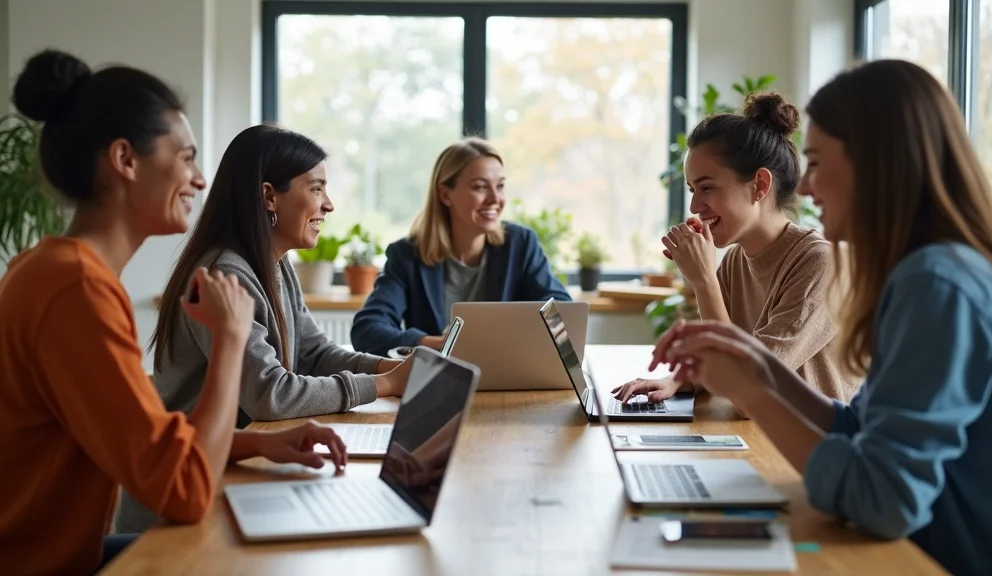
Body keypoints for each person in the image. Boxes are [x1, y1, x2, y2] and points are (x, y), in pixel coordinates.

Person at [652, 59, 992, 575]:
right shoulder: (923, 272)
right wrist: (753, 364)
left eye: (818, 163)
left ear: (878, 163)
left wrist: (753, 388)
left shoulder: (937, 285)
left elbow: (883, 500)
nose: (803, 189)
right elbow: (857, 426)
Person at [0, 50, 348, 575]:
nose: (201, 180)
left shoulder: (58, 272)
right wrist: (230, 341)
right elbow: (183, 489)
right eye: (185, 157)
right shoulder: (75, 290)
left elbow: (149, 434)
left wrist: (258, 442)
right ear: (125, 160)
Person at [113, 125, 415, 534]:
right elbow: (269, 396)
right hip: (172, 509)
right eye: (317, 189)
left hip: (227, 470)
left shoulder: (272, 264)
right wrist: (385, 386)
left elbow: (313, 352)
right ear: (269, 195)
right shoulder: (225, 275)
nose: (329, 205)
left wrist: (388, 368)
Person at [615, 92, 858, 407]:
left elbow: (750, 389)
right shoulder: (735, 261)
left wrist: (704, 281)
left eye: (707, 188)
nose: (694, 205)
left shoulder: (821, 265)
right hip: (765, 436)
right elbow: (720, 363)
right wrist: (675, 380)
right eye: (692, 190)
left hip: (816, 447)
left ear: (759, 185)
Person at [350, 137, 571, 356]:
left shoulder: (521, 244)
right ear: (446, 194)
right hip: (439, 381)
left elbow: (560, 310)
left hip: (509, 373)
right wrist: (438, 343)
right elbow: (367, 330)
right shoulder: (406, 256)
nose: (495, 199)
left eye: (500, 186)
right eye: (480, 187)